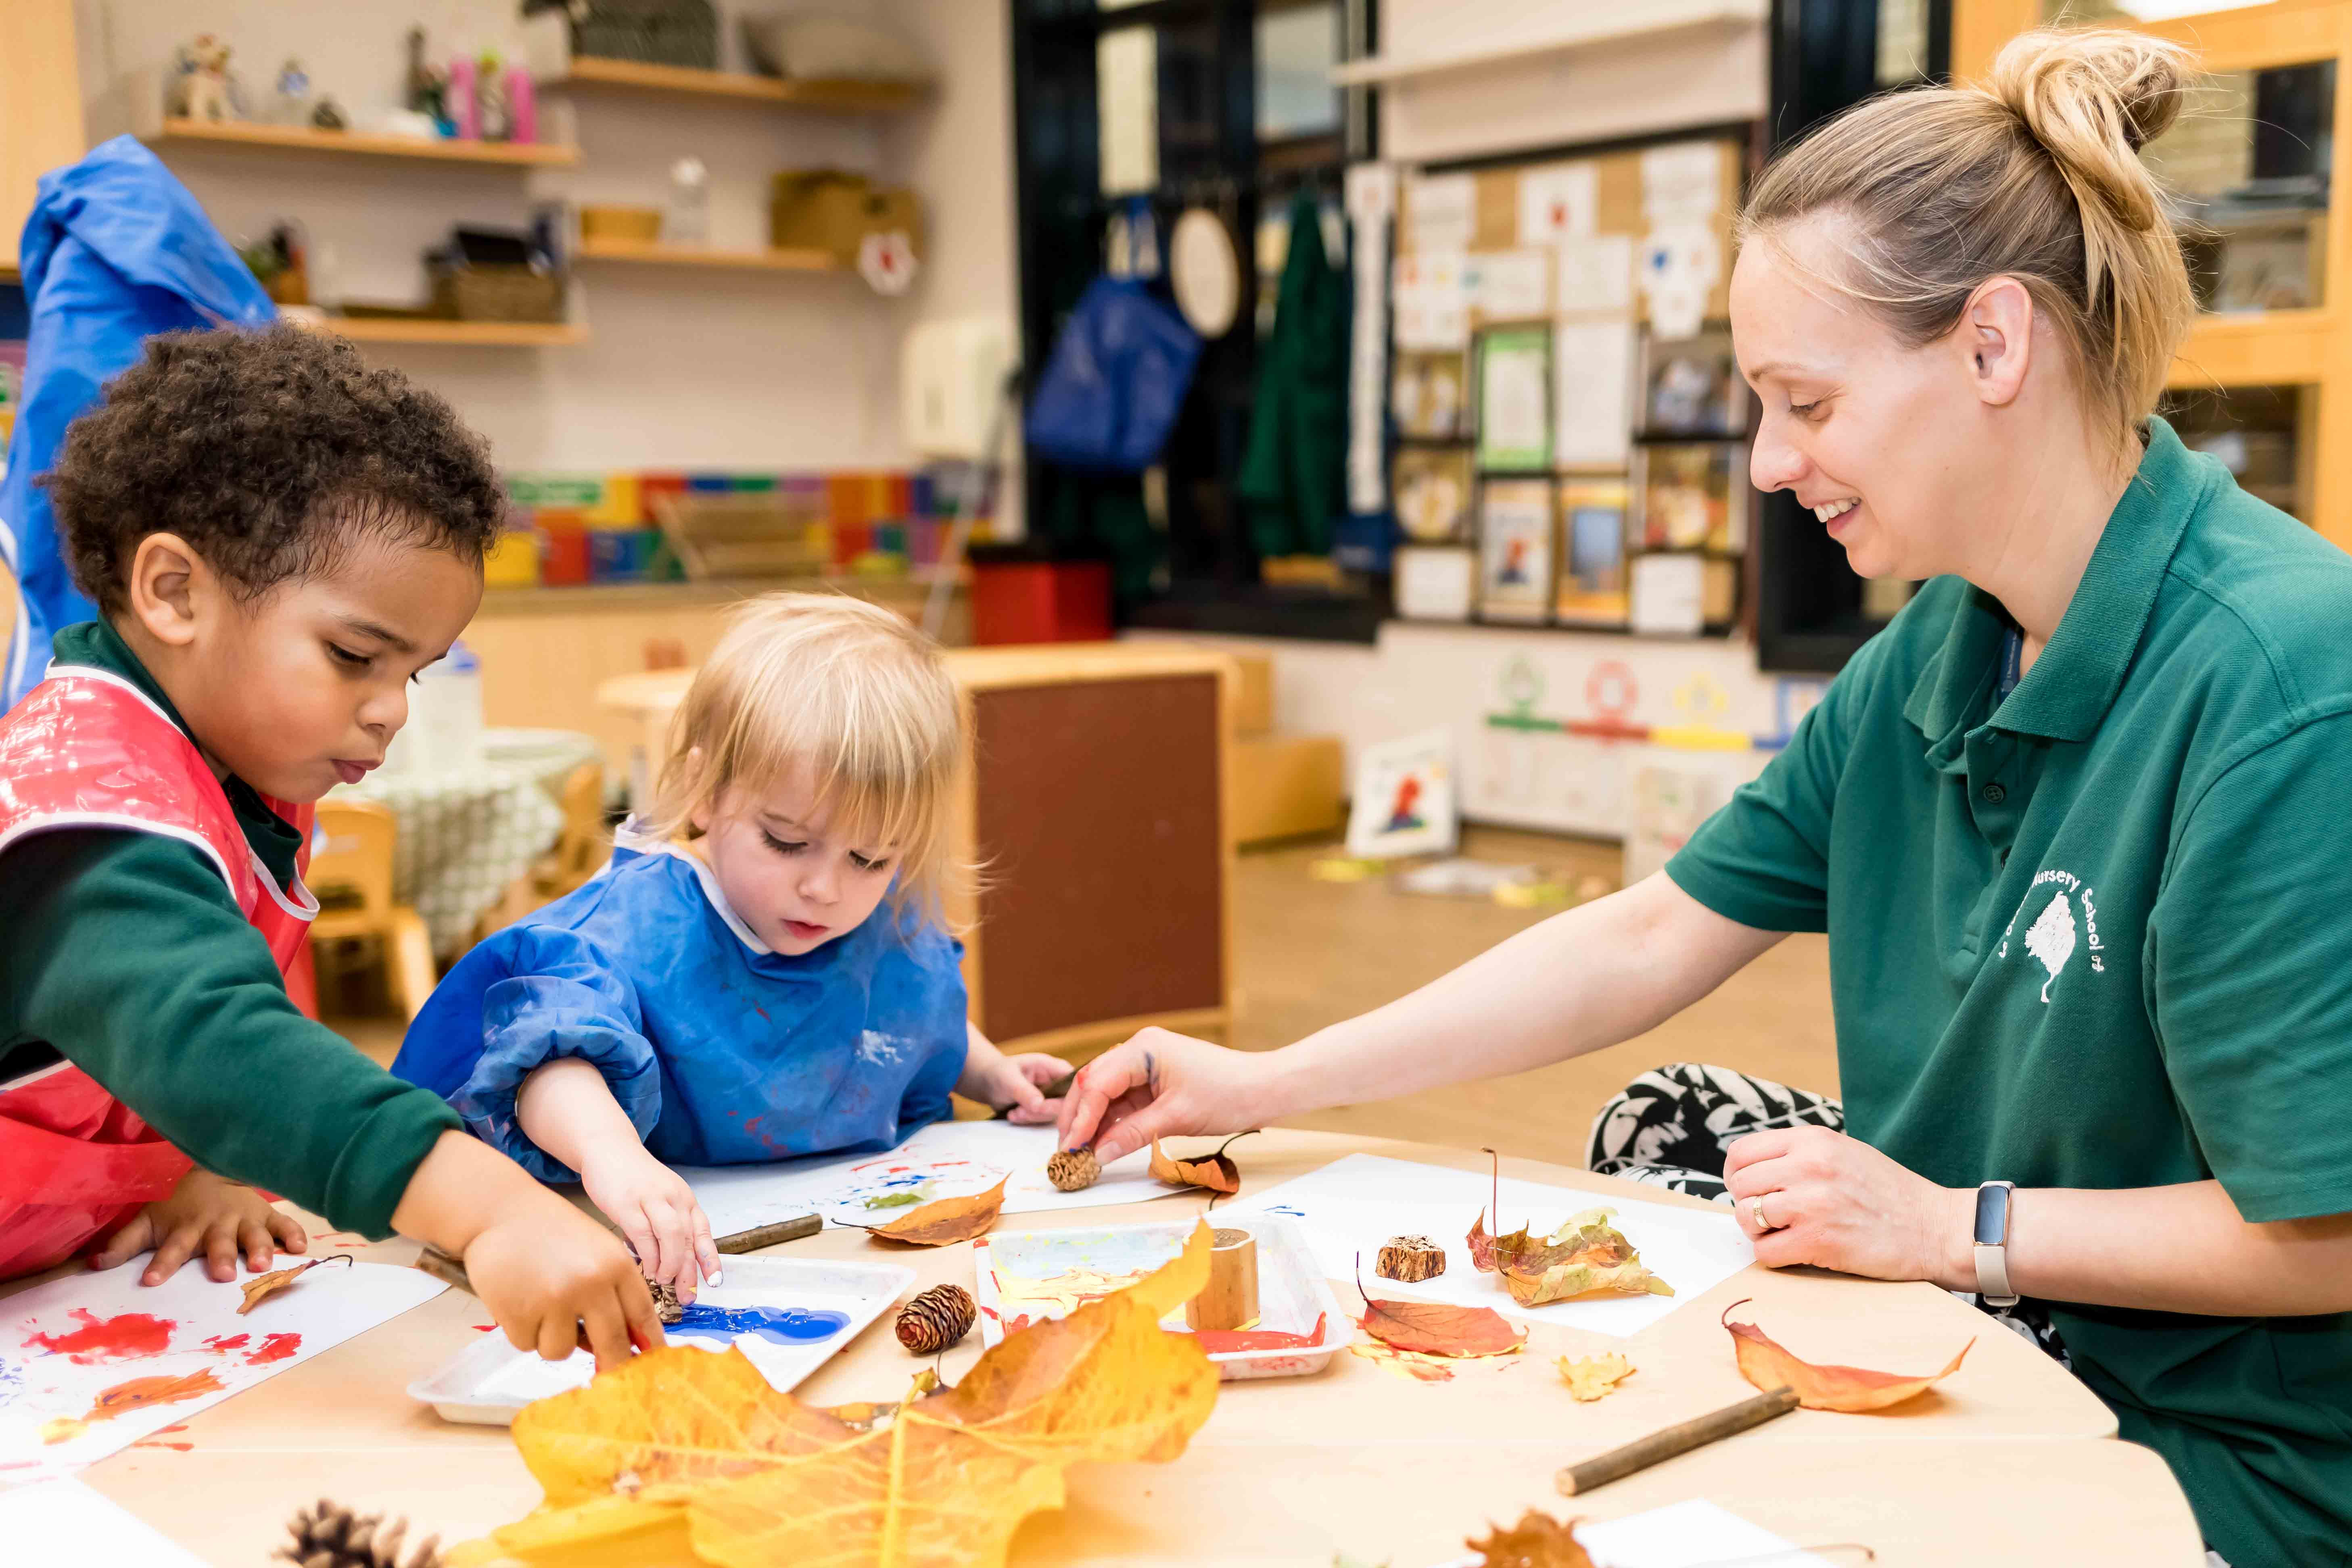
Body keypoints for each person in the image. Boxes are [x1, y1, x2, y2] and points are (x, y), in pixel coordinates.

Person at [1058, 29, 2352, 1568]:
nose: (1762, 460)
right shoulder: (1939, 645)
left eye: (1803, 401)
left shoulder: (2282, 681)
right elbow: (1646, 938)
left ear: (1994, 344)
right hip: (1970, 1337)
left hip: (2204, 1450)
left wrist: (1954, 1227)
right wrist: (1268, 1079)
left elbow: (2321, 1232)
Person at [0, 324, 661, 1369]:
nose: (390, 711)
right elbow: (203, 1032)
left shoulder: (226, 767)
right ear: (174, 592)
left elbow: (139, 1045)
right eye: (354, 656)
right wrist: (490, 1210)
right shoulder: (85, 802)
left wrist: (194, 1163)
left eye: (416, 671)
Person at [394, 593, 1070, 1304]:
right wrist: (612, 1157)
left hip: (857, 1239)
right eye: (785, 841)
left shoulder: (871, 914)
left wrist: (992, 1075)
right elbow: (548, 1054)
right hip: (672, 1248)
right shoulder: (632, 927)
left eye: (871, 858)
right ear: (706, 792)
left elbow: (900, 1009)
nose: (825, 889)